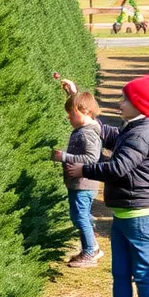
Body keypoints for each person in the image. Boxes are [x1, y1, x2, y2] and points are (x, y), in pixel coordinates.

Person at [66, 74, 149, 297]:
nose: (120, 102)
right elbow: (111, 135)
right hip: (126, 214)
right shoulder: (135, 128)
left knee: (143, 274)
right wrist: (80, 103)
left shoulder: (144, 134)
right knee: (121, 274)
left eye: (126, 99)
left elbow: (117, 168)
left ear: (141, 104)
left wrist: (84, 169)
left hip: (140, 217)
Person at [53, 91, 104, 268]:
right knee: (82, 215)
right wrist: (72, 93)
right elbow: (81, 103)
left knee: (79, 216)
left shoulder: (87, 133)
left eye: (72, 115)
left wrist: (65, 157)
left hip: (83, 183)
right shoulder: (84, 128)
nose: (69, 119)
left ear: (86, 112)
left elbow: (92, 158)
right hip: (79, 183)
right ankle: (90, 246)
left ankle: (91, 251)